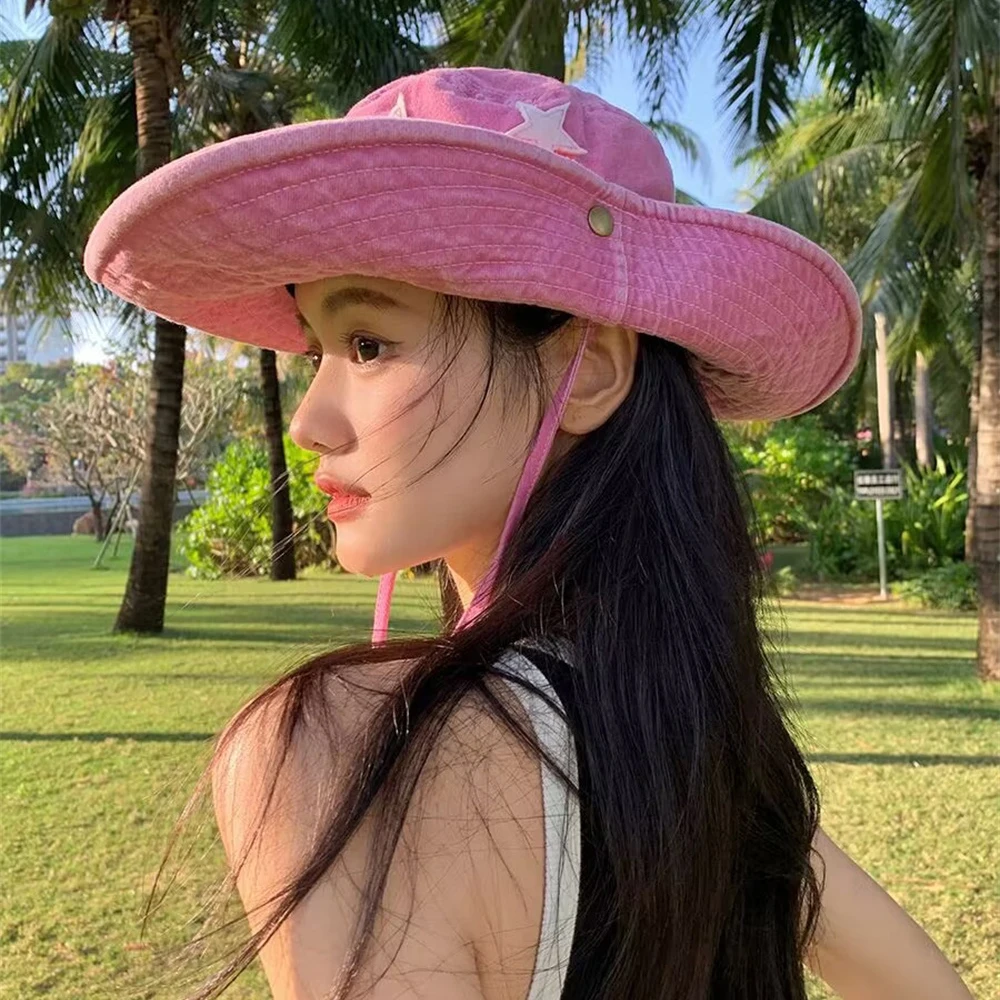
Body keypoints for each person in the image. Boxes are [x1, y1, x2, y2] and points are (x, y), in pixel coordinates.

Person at [85, 67, 974, 1000]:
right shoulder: (699, 747)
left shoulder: (340, 744)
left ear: (586, 372)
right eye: (319, 350)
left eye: (369, 345)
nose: (310, 422)